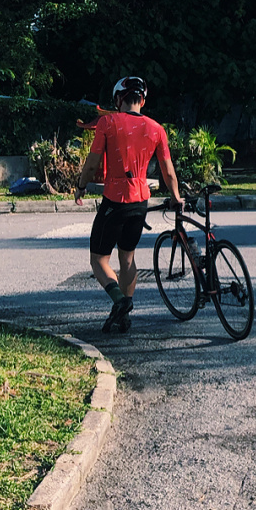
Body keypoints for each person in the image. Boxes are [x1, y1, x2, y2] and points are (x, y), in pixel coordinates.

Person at [74, 77, 182, 333]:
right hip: (140, 201)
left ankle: (120, 301)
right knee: (128, 258)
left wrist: (80, 185)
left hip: (115, 199)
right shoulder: (156, 128)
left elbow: (92, 163)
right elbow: (168, 170)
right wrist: (176, 196)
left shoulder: (108, 122)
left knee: (99, 260)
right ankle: (124, 314)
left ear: (118, 100)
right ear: (142, 100)